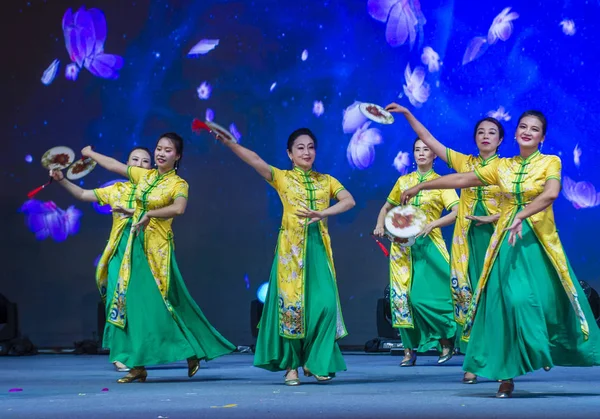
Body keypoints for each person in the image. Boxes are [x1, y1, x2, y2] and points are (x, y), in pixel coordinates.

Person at [401, 111, 600, 398]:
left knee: (550, 301)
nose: (528, 132)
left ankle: (541, 348)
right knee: (507, 303)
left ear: (542, 137)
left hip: (538, 242)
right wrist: (421, 185)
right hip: (506, 242)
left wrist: (522, 214)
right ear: (516, 133)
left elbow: (551, 194)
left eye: (534, 129)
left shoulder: (550, 162)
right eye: (523, 127)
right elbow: (461, 180)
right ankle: (505, 376)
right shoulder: (502, 167)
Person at [80, 133, 236, 383]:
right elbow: (115, 165)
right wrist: (90, 154)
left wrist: (149, 214)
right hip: (135, 248)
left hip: (157, 251)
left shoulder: (179, 184)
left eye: (168, 150)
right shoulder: (146, 175)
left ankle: (191, 350)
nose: (161, 153)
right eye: (159, 148)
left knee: (166, 303)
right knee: (131, 306)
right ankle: (137, 365)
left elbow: (179, 208)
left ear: (178, 156)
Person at [215, 128, 355, 385]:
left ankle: (315, 361)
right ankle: (291, 366)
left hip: (319, 249)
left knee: (326, 306)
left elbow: (349, 201)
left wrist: (324, 213)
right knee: (292, 310)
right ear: (289, 154)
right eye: (300, 147)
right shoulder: (282, 178)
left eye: (311, 147)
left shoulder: (327, 180)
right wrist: (233, 145)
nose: (306, 152)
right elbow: (255, 161)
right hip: (291, 253)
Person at [385, 103, 504, 383]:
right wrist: (408, 115)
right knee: (467, 299)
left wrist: (495, 217)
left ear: (500, 140)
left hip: (496, 238)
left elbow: (520, 202)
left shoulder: (507, 167)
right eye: (481, 132)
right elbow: (429, 139)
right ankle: (473, 361)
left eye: (492, 132)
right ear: (475, 138)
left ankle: (504, 359)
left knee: (495, 299)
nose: (486, 136)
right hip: (466, 241)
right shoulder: (464, 163)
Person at [50, 146, 153, 373]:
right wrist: (61, 181)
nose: (139, 163)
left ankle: (148, 350)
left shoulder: (156, 191)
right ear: (127, 165)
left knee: (145, 306)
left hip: (148, 255)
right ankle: (119, 354)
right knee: (118, 302)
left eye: (145, 161)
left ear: (151, 167)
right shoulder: (116, 190)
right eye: (134, 159)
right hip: (119, 254)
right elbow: (83, 195)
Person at [374, 138, 459, 367]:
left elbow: (457, 211)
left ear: (434, 156)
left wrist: (434, 224)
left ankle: (445, 341)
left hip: (429, 246)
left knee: (425, 298)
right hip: (402, 247)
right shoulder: (404, 181)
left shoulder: (442, 183)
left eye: (427, 150)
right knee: (402, 298)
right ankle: (409, 351)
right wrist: (380, 224)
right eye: (417, 149)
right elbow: (386, 207)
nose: (421, 153)